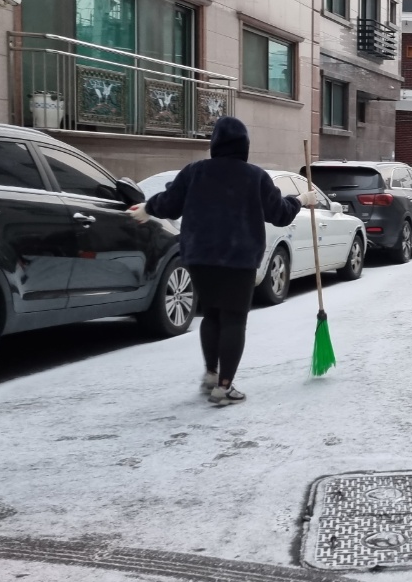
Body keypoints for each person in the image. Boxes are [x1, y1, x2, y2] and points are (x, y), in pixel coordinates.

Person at [130, 117, 317, 405]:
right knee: (233, 319)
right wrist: (301, 199)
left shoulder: (195, 172)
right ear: (245, 146)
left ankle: (211, 374)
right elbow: (279, 213)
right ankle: (225, 387)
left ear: (214, 143)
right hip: (238, 259)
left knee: (213, 314)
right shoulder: (255, 177)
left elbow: (169, 202)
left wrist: (147, 207)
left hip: (199, 257)